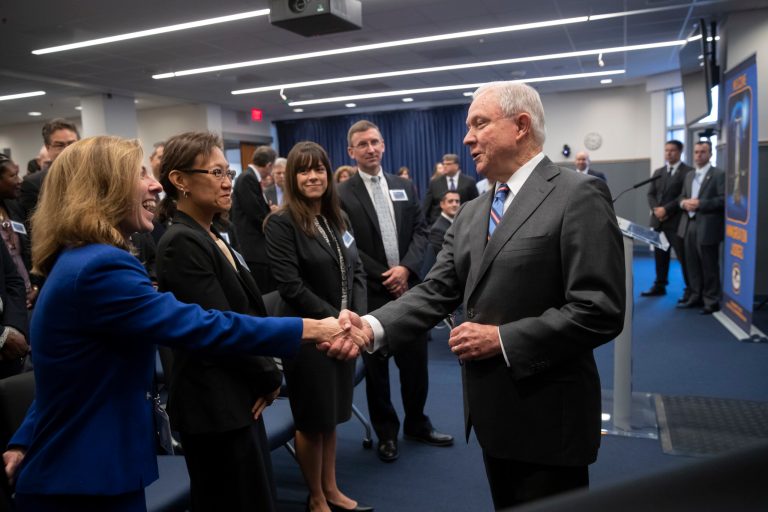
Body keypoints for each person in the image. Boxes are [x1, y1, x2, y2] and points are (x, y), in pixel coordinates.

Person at [2, 136, 365, 512]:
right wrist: (311, 328)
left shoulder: (78, 259)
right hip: (87, 478)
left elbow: (60, 378)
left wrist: (25, 438)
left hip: (79, 465)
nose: (155, 184)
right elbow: (203, 324)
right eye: (139, 174)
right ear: (101, 189)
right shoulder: (100, 266)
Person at [343, 82, 625, 509]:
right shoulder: (475, 209)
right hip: (493, 413)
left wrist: (502, 339)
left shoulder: (577, 194)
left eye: (480, 123)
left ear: (521, 126)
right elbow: (437, 289)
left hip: (549, 414)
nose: (467, 137)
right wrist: (371, 325)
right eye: (467, 125)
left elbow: (599, 309)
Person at [155, 131, 284, 511]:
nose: (228, 182)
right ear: (180, 181)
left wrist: (264, 374)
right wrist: (269, 376)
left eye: (227, 171)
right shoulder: (180, 241)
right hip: (214, 406)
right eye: (215, 172)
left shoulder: (213, 234)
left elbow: (245, 309)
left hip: (238, 395)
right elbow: (220, 324)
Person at [338, 120, 453, 464]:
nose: (370, 149)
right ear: (351, 151)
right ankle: (386, 433)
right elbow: (349, 243)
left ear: (384, 145)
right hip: (371, 293)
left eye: (375, 142)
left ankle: (417, 423)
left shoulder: (403, 185)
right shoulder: (342, 193)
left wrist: (406, 269)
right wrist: (386, 275)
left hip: (409, 291)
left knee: (416, 366)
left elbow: (421, 230)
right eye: (363, 144)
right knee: (376, 373)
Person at [265, 141, 372, 512]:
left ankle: (331, 487)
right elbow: (290, 285)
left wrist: (354, 319)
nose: (313, 177)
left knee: (332, 416)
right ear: (292, 178)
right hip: (309, 336)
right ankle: (315, 497)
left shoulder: (337, 217)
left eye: (319, 169)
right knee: (312, 419)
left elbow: (356, 270)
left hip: (343, 332)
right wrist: (336, 320)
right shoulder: (281, 223)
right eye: (304, 170)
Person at [676, 141, 725, 315]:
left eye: (703, 152)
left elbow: (723, 200)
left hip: (707, 226)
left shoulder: (718, 175)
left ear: (710, 154)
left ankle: (711, 300)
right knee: (692, 264)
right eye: (696, 152)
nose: (698, 155)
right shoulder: (689, 175)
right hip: (688, 224)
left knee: (709, 265)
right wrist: (684, 203)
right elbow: (681, 196)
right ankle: (695, 296)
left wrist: (700, 204)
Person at [642, 140, 693, 299]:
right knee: (660, 256)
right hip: (658, 221)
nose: (668, 153)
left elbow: (683, 195)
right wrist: (656, 209)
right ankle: (660, 285)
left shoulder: (688, 172)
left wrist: (666, 209)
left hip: (676, 222)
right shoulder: (659, 171)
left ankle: (690, 289)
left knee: (683, 257)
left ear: (680, 152)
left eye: (672, 150)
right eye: (666, 150)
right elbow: (651, 194)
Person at [231, 146, 277, 292]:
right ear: (269, 165)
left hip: (255, 247)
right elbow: (255, 213)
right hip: (252, 248)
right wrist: (272, 218)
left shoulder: (250, 177)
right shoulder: (247, 178)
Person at [19, 118, 80, 227]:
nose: (67, 149)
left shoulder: (93, 174)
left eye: (71, 143)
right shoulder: (33, 183)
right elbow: (35, 226)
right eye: (59, 145)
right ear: (48, 148)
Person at [0, 156, 39, 310]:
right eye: (13, 175)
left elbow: (29, 249)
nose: (20, 180)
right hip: (7, 303)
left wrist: (35, 286)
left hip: (29, 295)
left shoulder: (14, 206)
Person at [421, 153, 477, 225]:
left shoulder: (469, 182)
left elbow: (475, 206)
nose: (445, 166)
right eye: (444, 164)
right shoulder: (434, 183)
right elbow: (426, 207)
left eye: (448, 164)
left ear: (456, 166)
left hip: (463, 224)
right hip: (439, 226)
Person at [428, 191, 460, 256]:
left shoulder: (460, 223)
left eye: (457, 201)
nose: (454, 204)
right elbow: (442, 256)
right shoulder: (437, 230)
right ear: (442, 204)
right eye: (450, 201)